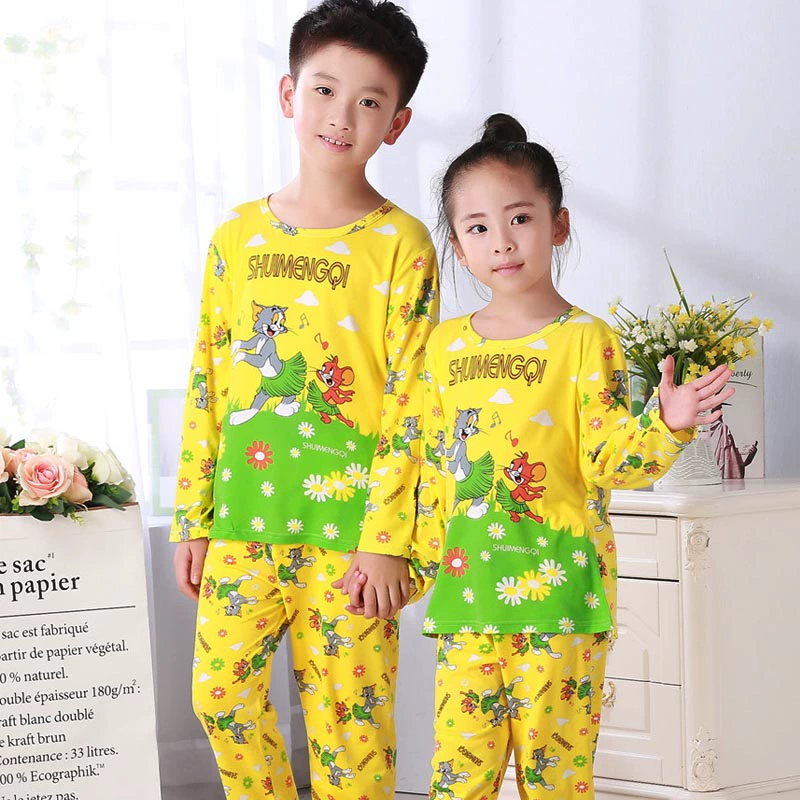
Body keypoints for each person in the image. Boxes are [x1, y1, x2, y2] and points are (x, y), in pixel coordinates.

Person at [407, 113, 735, 799]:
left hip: (562, 602)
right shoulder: (443, 347)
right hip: (468, 600)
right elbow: (432, 469)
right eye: (477, 228)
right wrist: (406, 567)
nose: (502, 242)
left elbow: (610, 461)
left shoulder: (589, 341)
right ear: (458, 247)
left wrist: (667, 425)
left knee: (556, 782)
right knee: (457, 781)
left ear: (557, 225)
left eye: (520, 219)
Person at [169, 2, 436, 796]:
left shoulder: (402, 244)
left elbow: (414, 402)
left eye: (368, 101)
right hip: (243, 521)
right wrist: (194, 516)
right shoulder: (237, 236)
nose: (341, 116)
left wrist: (387, 540)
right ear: (289, 94)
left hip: (352, 538)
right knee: (220, 697)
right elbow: (209, 377)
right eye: (324, 90)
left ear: (396, 123)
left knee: (352, 732)